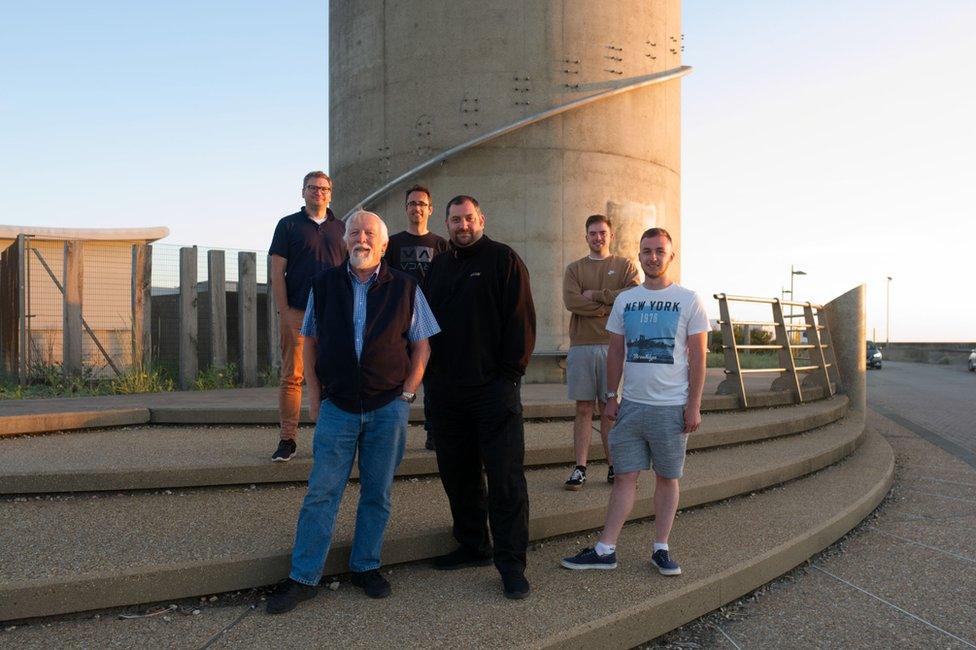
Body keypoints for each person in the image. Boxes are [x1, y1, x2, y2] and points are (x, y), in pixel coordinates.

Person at [266, 211, 440, 614]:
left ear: (383, 245)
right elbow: (309, 341)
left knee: (377, 494)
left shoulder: (406, 288)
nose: (361, 238)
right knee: (321, 493)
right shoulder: (323, 285)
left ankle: (366, 566)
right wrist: (314, 395)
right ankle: (304, 576)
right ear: (344, 241)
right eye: (354, 232)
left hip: (387, 409)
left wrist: (408, 394)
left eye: (370, 233)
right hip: (338, 408)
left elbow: (423, 345)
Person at [560, 227, 708, 576]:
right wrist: (611, 397)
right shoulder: (626, 300)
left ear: (671, 256)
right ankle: (605, 549)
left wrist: (694, 405)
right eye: (646, 251)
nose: (652, 257)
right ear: (639, 256)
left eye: (659, 251)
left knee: (667, 478)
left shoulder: (689, 300)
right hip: (631, 407)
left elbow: (699, 357)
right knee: (625, 476)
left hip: (671, 407)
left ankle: (661, 548)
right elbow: (616, 351)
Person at [423, 195, 536, 600]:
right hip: (447, 393)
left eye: (468, 218)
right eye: (454, 220)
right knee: (458, 474)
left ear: (481, 219)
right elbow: (424, 325)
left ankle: (511, 565)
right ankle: (473, 545)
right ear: (447, 224)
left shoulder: (504, 260)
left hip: (494, 391)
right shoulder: (437, 266)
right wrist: (430, 379)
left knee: (505, 480)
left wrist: (508, 378)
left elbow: (521, 324)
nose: (461, 225)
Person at [268, 171, 346, 462]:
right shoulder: (288, 225)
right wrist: (284, 311)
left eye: (324, 188)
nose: (318, 192)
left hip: (334, 314)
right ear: (303, 192)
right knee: (293, 377)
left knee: (334, 376)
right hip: (299, 312)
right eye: (312, 188)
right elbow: (277, 272)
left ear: (330, 194)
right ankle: (287, 440)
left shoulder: (342, 228)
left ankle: (329, 439)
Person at [561, 214, 639, 490]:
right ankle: (580, 467)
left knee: (609, 409)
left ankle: (613, 466)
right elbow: (572, 301)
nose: (598, 238)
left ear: (611, 236)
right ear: (586, 237)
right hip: (581, 346)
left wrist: (596, 296)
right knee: (583, 408)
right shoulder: (575, 269)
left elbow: (631, 296)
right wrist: (609, 306)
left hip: (613, 347)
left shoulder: (624, 265)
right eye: (592, 233)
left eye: (602, 233)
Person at [383, 184, 448, 451]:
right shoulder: (394, 243)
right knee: (398, 377)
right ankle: (391, 432)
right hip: (401, 319)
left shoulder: (441, 244)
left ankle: (433, 431)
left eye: (422, 204)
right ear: (406, 208)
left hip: (432, 320)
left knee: (433, 379)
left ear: (430, 209)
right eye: (412, 203)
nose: (417, 208)